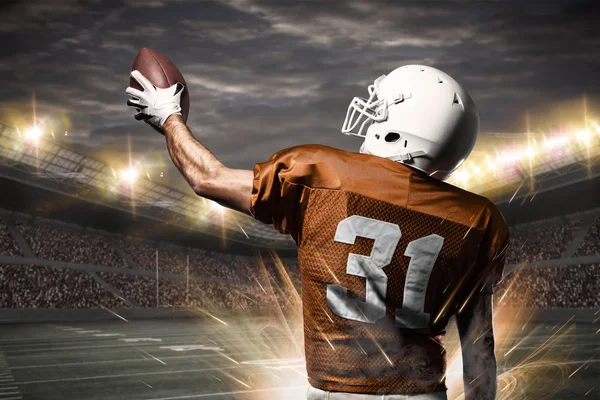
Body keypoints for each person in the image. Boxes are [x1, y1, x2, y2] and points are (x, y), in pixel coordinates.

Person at [126, 64, 509, 400]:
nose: (371, 114)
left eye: (380, 109)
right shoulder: (478, 220)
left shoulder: (322, 176)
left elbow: (207, 178)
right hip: (424, 393)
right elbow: (480, 350)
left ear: (403, 129)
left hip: (336, 392)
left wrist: (168, 116)